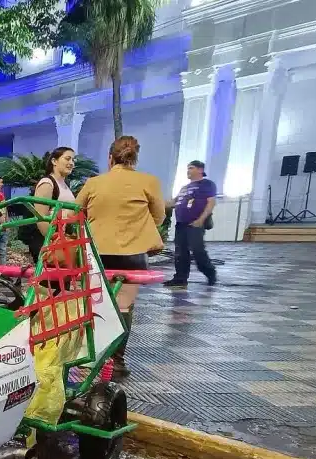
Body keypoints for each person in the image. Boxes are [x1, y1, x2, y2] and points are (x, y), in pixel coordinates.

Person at [76, 136, 165, 379]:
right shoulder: (149, 181)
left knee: (95, 303)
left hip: (96, 254)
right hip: (132, 255)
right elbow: (159, 217)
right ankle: (116, 361)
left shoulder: (94, 183)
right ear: (135, 158)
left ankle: (91, 357)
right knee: (123, 306)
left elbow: (76, 212)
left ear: (110, 158)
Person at [164, 160, 217, 288]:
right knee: (180, 253)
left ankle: (210, 273)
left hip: (195, 224)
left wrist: (201, 220)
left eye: (191, 168)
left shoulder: (207, 184)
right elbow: (173, 202)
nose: (188, 171)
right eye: (188, 168)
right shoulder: (185, 188)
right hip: (181, 224)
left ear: (200, 170)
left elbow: (211, 202)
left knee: (198, 251)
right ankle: (180, 279)